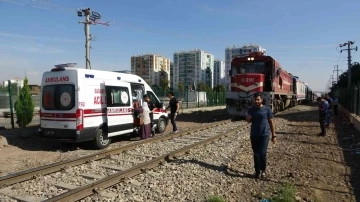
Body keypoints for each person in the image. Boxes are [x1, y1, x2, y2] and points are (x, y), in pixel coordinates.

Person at [246, 93, 276, 179]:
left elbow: (271, 122)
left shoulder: (267, 109)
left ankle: (263, 171)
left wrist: (274, 135)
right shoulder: (251, 109)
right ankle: (257, 172)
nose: (256, 101)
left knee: (262, 153)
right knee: (256, 154)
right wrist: (247, 119)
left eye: (258, 99)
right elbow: (248, 120)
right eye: (255, 100)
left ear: (261, 100)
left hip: (265, 134)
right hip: (254, 135)